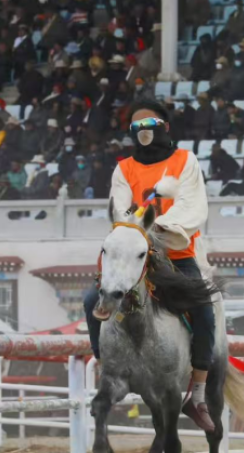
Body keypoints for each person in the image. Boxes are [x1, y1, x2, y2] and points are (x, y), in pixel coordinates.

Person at [83, 100, 215, 432]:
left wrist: (155, 226)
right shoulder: (123, 168)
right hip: (135, 254)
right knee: (90, 300)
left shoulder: (185, 160)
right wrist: (136, 220)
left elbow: (190, 205)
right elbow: (121, 211)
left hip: (176, 253)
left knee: (204, 309)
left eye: (150, 125)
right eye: (137, 127)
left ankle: (198, 393)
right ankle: (105, 365)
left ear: (165, 127)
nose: (143, 132)